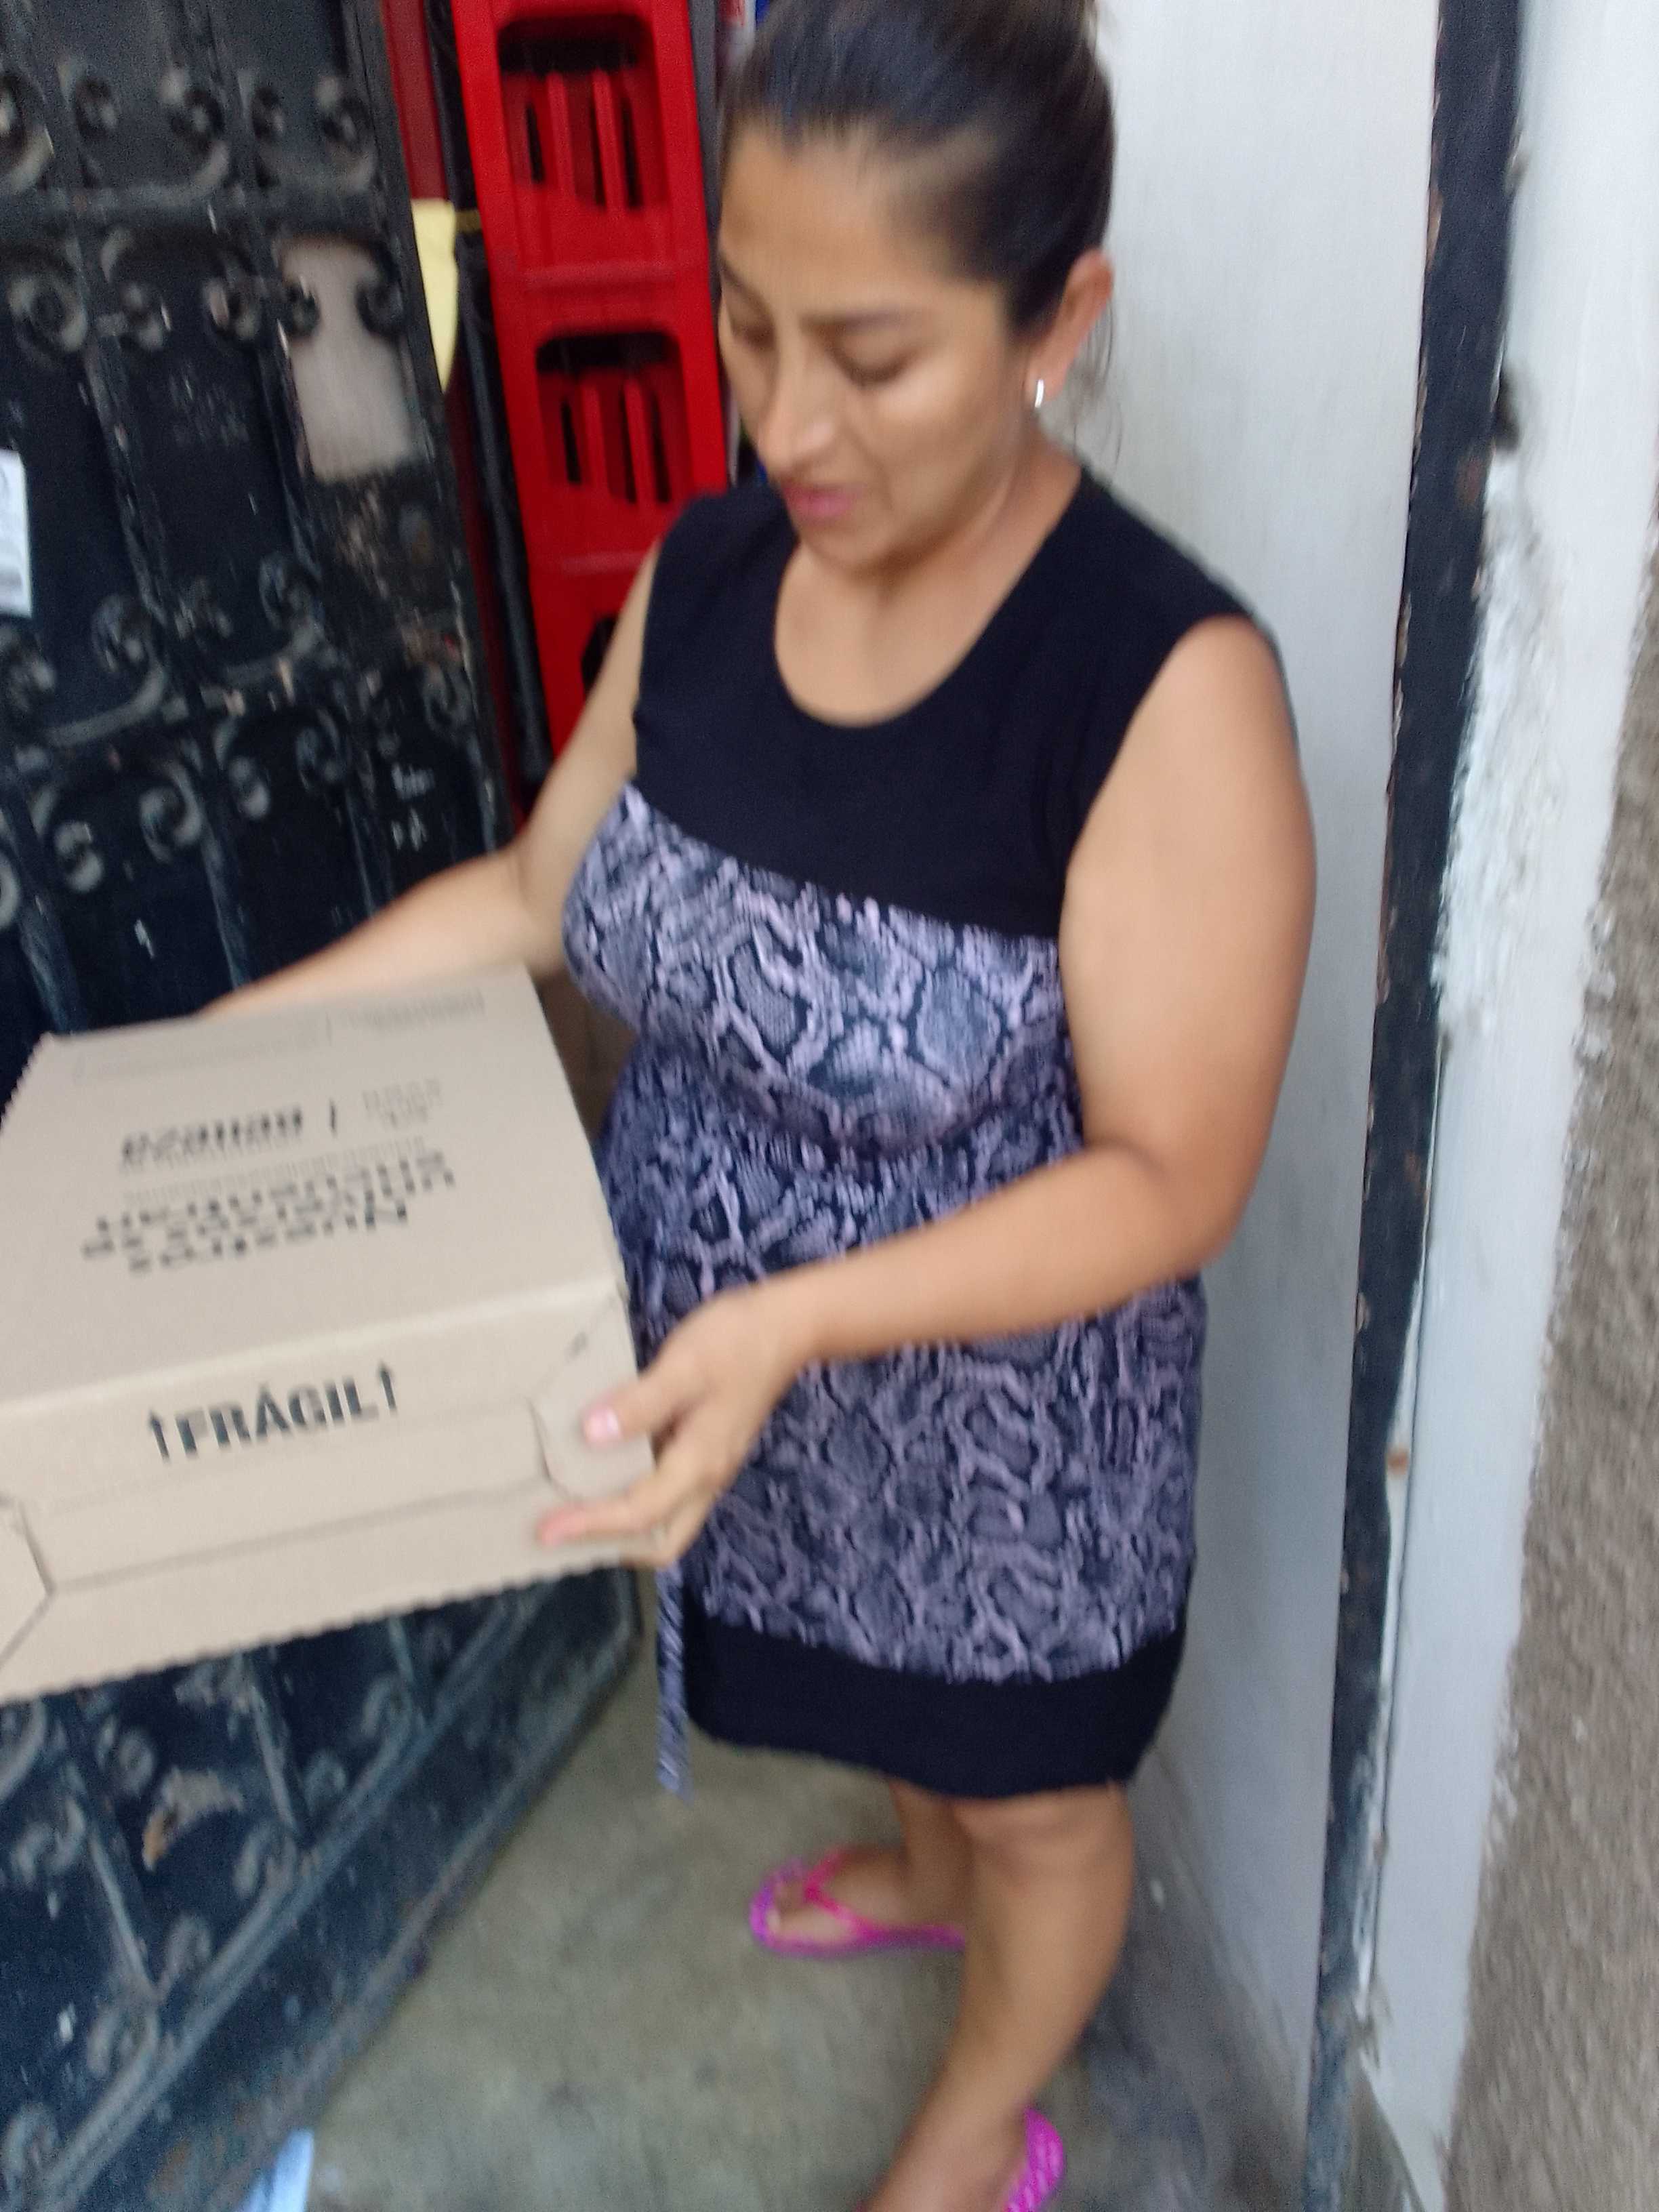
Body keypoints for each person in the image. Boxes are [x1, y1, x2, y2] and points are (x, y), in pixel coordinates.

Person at [233, 1, 1313, 2203]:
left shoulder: (1156, 684)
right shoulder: (714, 575)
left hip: (1005, 1432)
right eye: (747, 326)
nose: (787, 421)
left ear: (1058, 322)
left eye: (873, 356)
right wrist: (190, 1080)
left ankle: (977, 2125)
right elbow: (533, 895)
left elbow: (1173, 1176)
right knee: (867, 1713)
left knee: (1034, 1796)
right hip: (755, 1383)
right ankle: (920, 1871)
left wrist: (799, 1319)